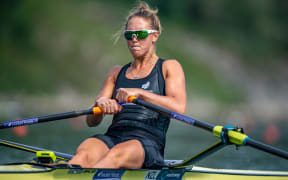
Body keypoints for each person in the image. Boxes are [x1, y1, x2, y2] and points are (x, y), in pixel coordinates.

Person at [69, 2, 186, 169]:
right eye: (129, 35)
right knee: (84, 153)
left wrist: (140, 94)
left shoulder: (169, 67)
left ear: (155, 35)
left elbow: (179, 108)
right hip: (113, 136)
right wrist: (100, 104)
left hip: (147, 142)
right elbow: (91, 121)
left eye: (141, 34)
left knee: (116, 155)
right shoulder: (116, 72)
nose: (134, 39)